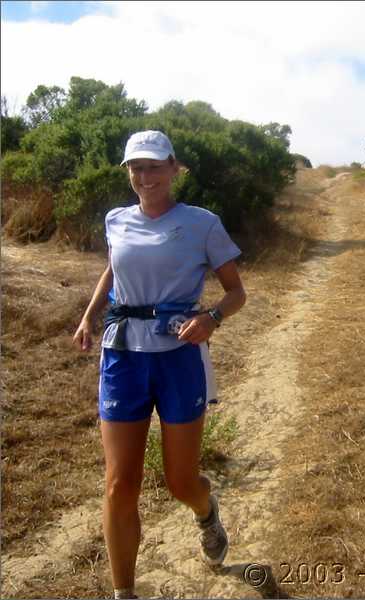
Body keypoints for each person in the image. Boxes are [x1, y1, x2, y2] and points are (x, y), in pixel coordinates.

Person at [73, 130, 246, 600]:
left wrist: (211, 318)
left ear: (174, 169)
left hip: (178, 358)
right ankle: (124, 593)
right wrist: (90, 315)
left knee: (180, 481)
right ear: (129, 172)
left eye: (154, 166)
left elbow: (236, 292)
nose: (145, 176)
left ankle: (205, 510)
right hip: (123, 355)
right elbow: (113, 270)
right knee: (118, 484)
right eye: (136, 167)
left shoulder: (202, 223)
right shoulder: (116, 220)